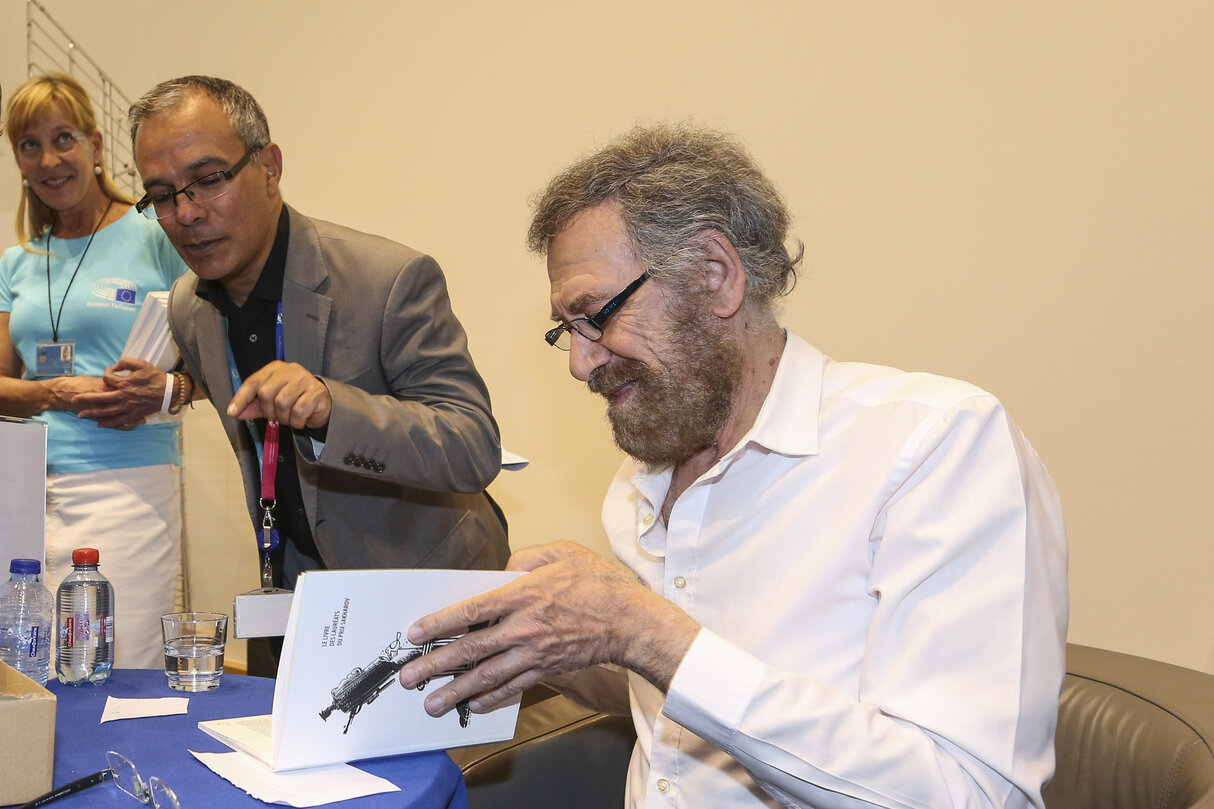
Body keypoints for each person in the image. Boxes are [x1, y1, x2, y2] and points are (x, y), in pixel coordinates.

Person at [397, 124, 1070, 809]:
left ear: (715, 276)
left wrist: (633, 624)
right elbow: (672, 704)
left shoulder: (935, 446)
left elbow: (967, 794)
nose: (580, 362)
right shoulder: (639, 486)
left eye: (595, 314)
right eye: (565, 330)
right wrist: (552, 642)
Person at [126, 75, 508, 597]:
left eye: (210, 179)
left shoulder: (389, 279)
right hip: (298, 591)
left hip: (430, 588)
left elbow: (473, 447)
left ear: (269, 167)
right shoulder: (189, 308)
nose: (188, 213)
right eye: (162, 196)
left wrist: (334, 410)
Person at [0, 73, 192, 669]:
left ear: (97, 145)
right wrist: (50, 392)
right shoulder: (16, 263)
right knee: (34, 670)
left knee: (123, 666)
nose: (49, 159)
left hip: (129, 485)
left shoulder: (155, 235)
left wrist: (170, 390)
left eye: (64, 138)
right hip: (27, 489)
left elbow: (213, 359)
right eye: (29, 145)